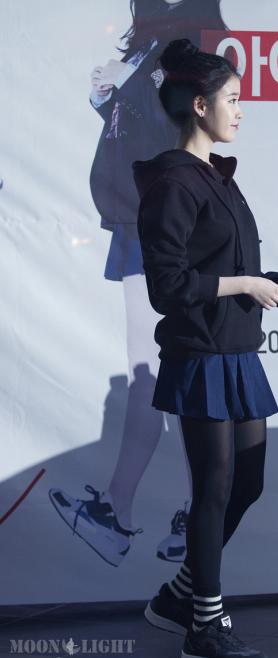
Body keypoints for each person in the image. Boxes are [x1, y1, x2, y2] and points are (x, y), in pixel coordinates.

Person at [133, 38, 278, 658]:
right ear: (198, 104)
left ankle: (179, 596)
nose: (240, 111)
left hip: (236, 350)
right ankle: (203, 626)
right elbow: (168, 287)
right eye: (233, 99)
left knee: (247, 482)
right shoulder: (171, 182)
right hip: (200, 355)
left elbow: (230, 264)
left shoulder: (218, 178)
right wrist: (245, 285)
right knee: (213, 489)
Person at [48, 0, 229, 567]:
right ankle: (140, 512)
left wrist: (127, 87)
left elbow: (184, 124)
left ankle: (153, 514)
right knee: (156, 372)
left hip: (163, 220)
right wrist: (107, 99)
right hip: (144, 218)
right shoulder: (156, 35)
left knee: (163, 373)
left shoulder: (191, 35)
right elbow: (146, 129)